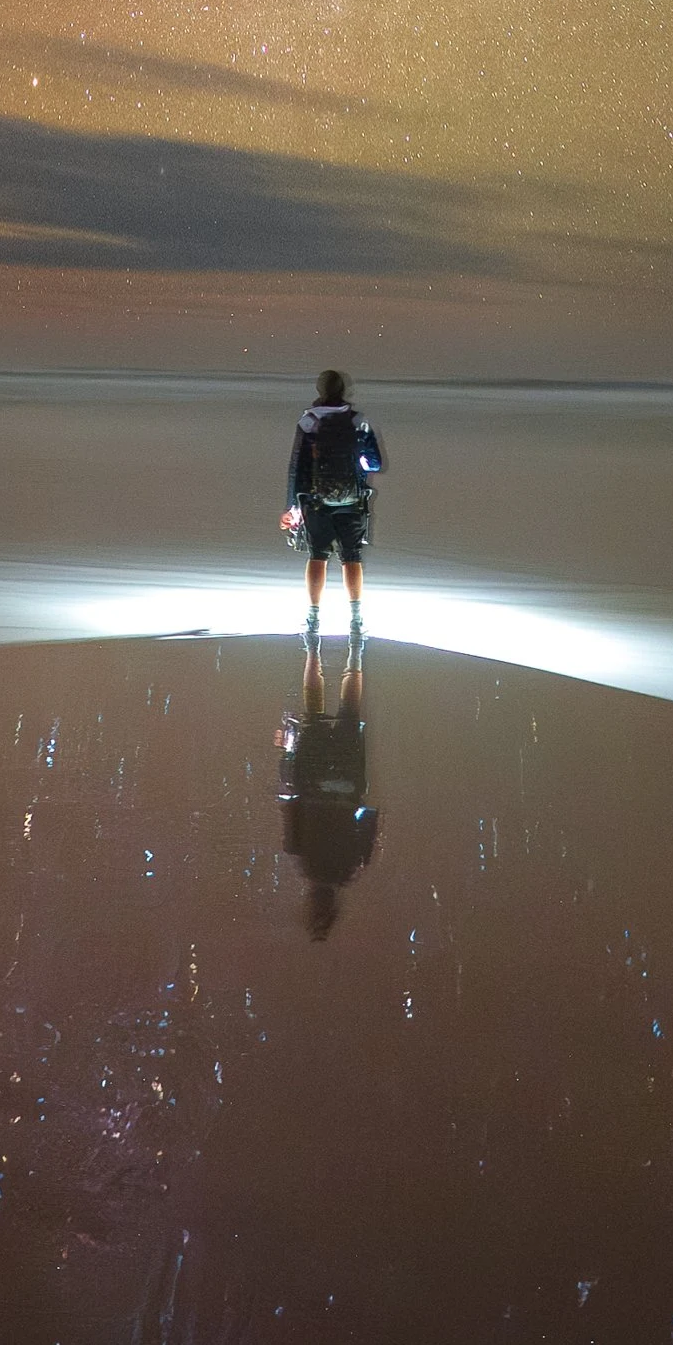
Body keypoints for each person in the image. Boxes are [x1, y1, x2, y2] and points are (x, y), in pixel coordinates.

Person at [278, 630, 378, 940]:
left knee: (349, 711)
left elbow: (370, 816)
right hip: (312, 780)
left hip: (347, 784)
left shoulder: (351, 868)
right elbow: (290, 805)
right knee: (314, 712)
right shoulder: (302, 859)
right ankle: (312, 650)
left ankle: (356, 651)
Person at [285, 365, 384, 627]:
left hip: (316, 501)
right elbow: (375, 463)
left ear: (320, 390)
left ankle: (314, 616)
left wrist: (292, 506)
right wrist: (357, 463)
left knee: (317, 555)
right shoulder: (358, 421)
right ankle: (355, 617)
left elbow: (298, 466)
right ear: (344, 390)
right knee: (351, 556)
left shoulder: (309, 422)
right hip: (353, 500)